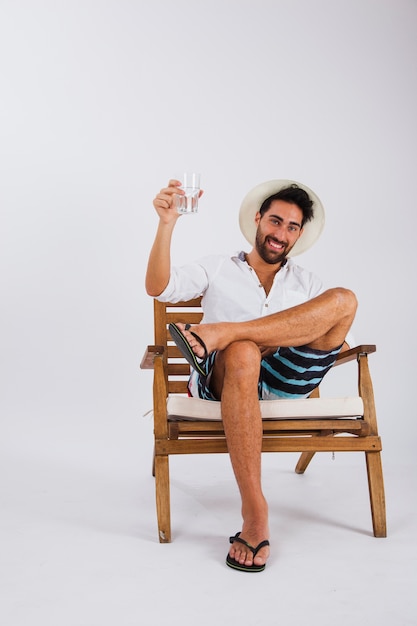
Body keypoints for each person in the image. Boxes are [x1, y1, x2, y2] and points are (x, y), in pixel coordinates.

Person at [145, 177, 357, 572]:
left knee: (344, 299)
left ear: (299, 235)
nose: (281, 234)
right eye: (275, 221)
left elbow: (337, 340)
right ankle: (254, 511)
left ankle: (223, 333)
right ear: (258, 219)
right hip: (226, 379)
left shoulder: (306, 282)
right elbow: (158, 287)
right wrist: (166, 223)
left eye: (292, 227)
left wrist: (274, 335)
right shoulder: (219, 267)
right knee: (243, 352)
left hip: (285, 381)